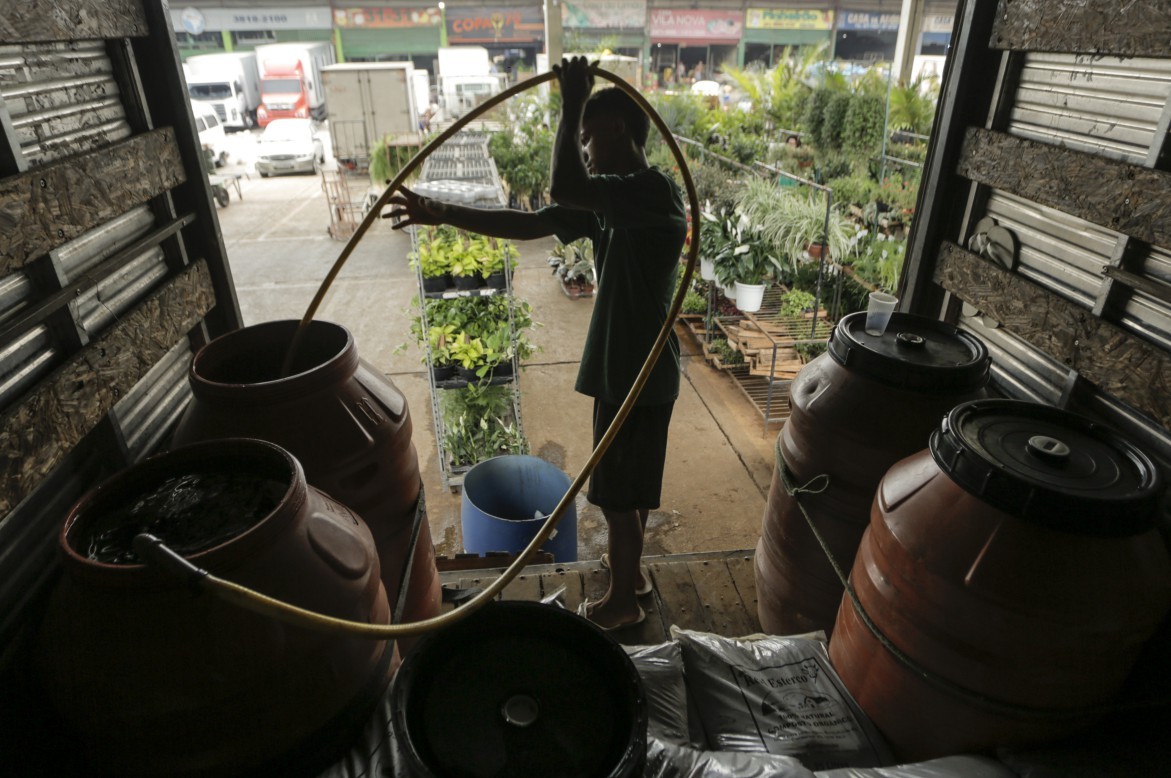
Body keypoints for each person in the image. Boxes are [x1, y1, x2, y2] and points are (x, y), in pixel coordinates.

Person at [386, 57, 687, 631]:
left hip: (638, 376)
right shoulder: (616, 205)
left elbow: (564, 185)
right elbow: (532, 222)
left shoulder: (651, 193)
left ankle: (624, 600)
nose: (583, 147)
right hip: (629, 372)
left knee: (621, 500)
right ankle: (634, 574)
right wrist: (440, 213)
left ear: (618, 129)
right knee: (632, 491)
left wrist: (574, 97)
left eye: (587, 136)